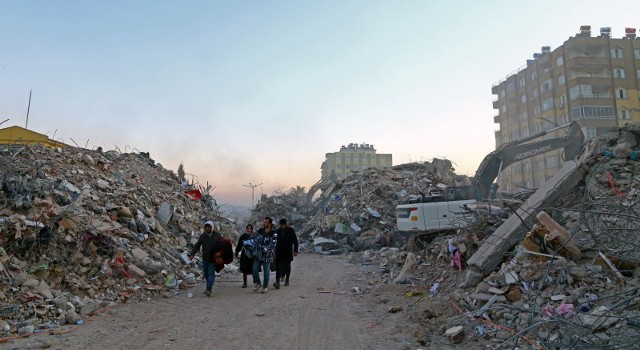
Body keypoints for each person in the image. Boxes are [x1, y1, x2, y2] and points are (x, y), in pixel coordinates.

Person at [188, 220, 222, 297]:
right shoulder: (202, 236)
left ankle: (209, 289)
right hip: (205, 258)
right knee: (206, 274)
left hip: (213, 259)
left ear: (212, 227)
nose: (207, 229)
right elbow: (197, 245)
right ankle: (208, 287)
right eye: (206, 227)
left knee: (210, 273)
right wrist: (192, 254)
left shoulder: (217, 235)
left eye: (209, 227)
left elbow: (223, 245)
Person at [252, 216, 277, 294]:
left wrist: (265, 248)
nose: (264, 223)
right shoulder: (260, 231)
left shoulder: (274, 233)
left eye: (265, 222)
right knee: (254, 269)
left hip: (268, 255)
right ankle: (258, 283)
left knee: (266, 272)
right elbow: (253, 237)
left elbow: (273, 244)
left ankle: (265, 287)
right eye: (264, 222)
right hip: (258, 254)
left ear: (269, 224)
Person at [274, 218, 298, 288]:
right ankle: (277, 281)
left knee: (287, 265)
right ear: (280, 225)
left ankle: (287, 279)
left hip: (288, 250)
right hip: (279, 251)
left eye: (284, 225)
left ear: (286, 224)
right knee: (278, 266)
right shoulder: (277, 231)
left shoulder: (290, 230)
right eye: (281, 225)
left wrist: (295, 251)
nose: (283, 226)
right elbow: (274, 242)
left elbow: (295, 241)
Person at [234, 224, 256, 288]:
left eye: (250, 228)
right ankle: (245, 283)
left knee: (253, 267)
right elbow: (239, 245)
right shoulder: (243, 236)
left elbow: (258, 244)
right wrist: (237, 252)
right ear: (246, 229)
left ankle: (255, 279)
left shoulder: (254, 236)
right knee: (244, 268)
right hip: (245, 254)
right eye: (248, 228)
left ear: (252, 229)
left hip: (253, 254)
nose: (249, 230)